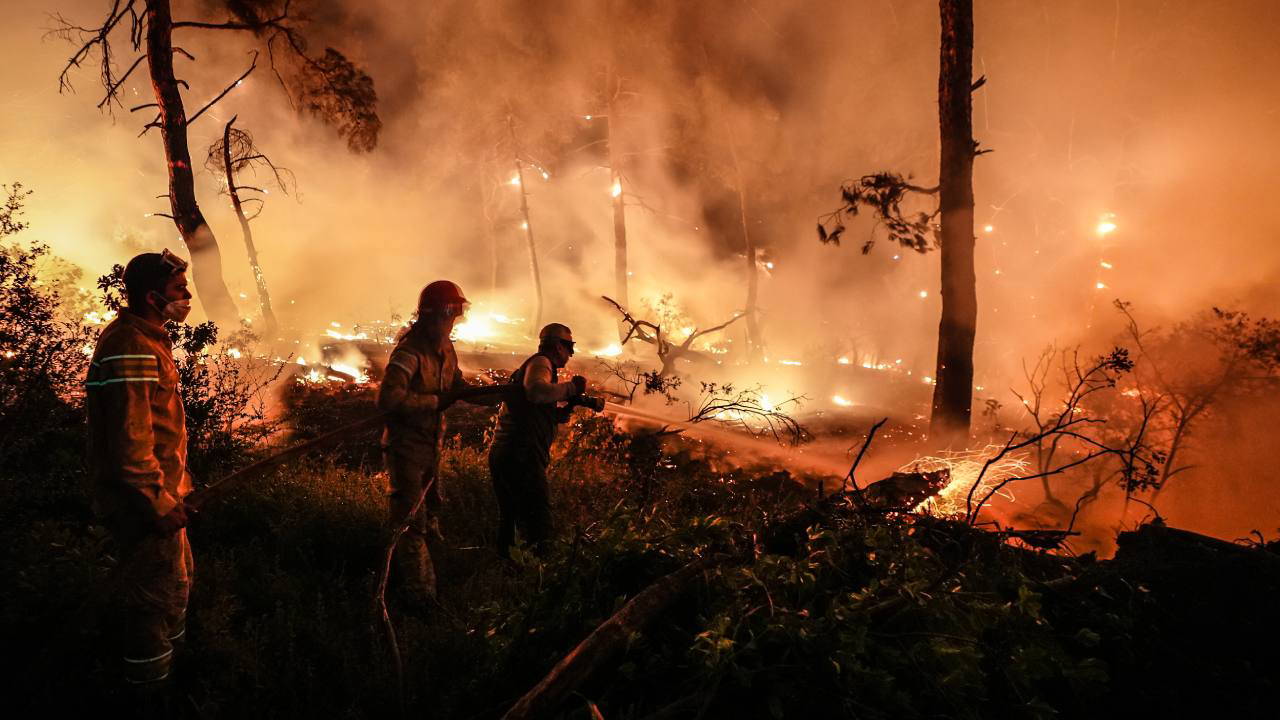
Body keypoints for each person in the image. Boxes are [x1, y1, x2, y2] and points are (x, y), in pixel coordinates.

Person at [85, 249, 195, 695]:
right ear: (152, 296)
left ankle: (177, 681)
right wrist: (157, 502)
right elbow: (131, 444)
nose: (187, 296)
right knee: (152, 604)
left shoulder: (146, 339)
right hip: (146, 507)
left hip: (165, 499)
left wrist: (178, 491)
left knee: (175, 593)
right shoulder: (131, 346)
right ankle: (148, 696)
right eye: (178, 290)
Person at [376, 280, 497, 602]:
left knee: (431, 511)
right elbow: (389, 399)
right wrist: (433, 402)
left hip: (431, 444)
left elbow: (456, 386)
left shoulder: (445, 349)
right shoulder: (409, 352)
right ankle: (419, 599)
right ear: (440, 313)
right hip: (406, 448)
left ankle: (439, 574)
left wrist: (498, 395)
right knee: (409, 521)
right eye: (452, 314)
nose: (455, 320)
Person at [487, 323, 588, 557]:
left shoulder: (539, 365)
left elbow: (534, 407)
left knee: (511, 517)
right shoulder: (542, 363)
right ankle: (540, 575)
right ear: (556, 345)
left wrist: (562, 411)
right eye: (569, 346)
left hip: (509, 452)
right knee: (537, 520)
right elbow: (536, 392)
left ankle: (508, 570)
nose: (571, 353)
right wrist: (571, 388)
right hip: (520, 455)